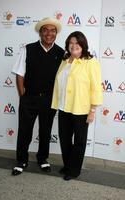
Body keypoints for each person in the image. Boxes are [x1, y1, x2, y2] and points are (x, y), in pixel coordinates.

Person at [11, 17, 64, 176]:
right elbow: (20, 75)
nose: (49, 33)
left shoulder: (62, 53)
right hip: (30, 98)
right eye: (45, 30)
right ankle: (21, 160)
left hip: (49, 100)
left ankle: (42, 159)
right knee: (24, 130)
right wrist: (23, 96)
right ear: (40, 33)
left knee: (46, 131)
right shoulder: (28, 49)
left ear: (56, 33)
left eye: (52, 30)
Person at [51, 31, 103, 181]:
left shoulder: (90, 62)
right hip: (64, 107)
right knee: (65, 139)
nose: (73, 45)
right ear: (67, 45)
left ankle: (74, 170)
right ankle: (68, 165)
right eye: (70, 43)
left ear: (83, 45)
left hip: (81, 109)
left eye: (77, 43)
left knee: (79, 141)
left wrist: (92, 110)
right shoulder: (65, 61)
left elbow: (95, 87)